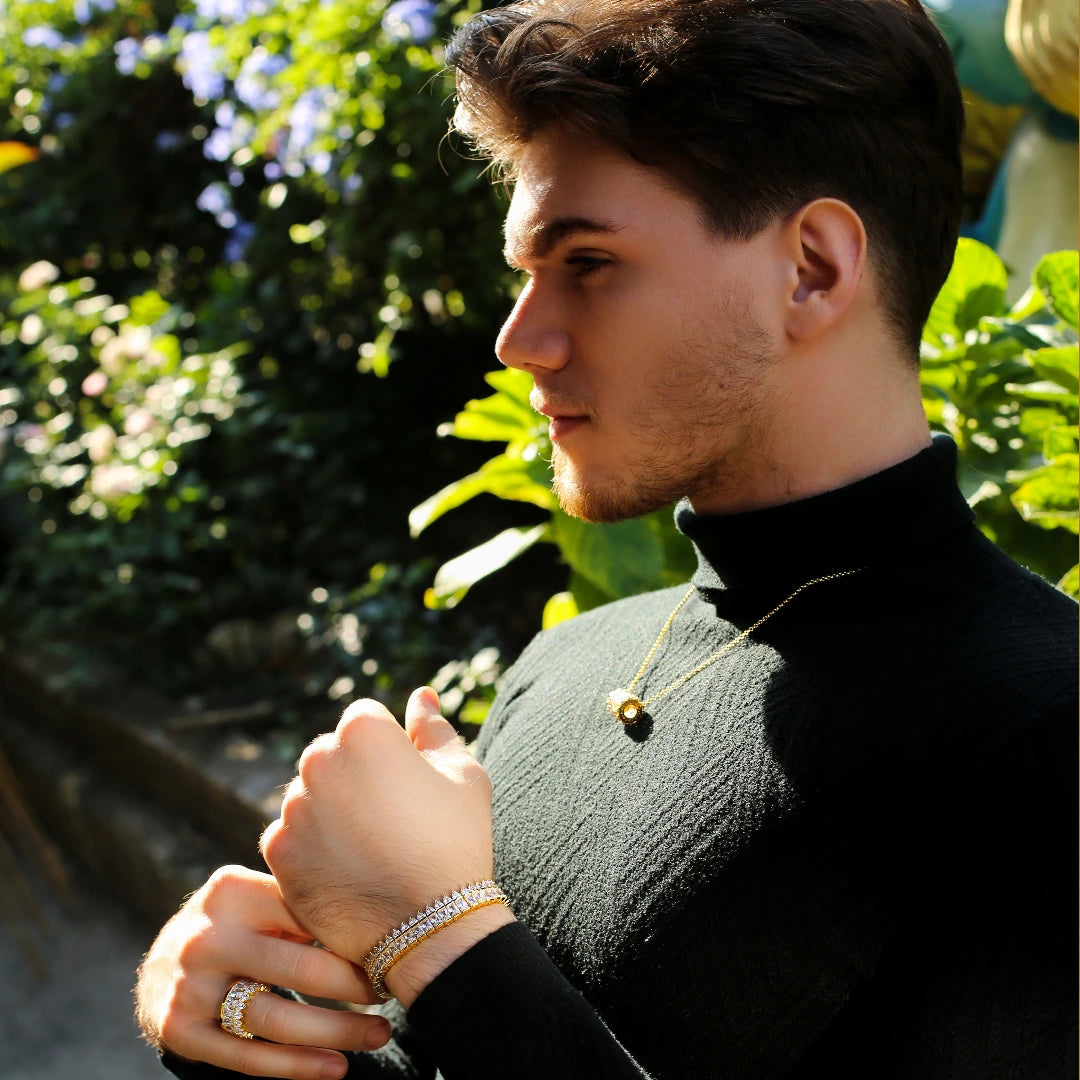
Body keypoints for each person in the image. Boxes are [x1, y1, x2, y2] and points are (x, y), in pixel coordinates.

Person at [135, 1, 1078, 1077]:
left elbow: (481, 995)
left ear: (813, 269)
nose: (518, 340)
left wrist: (445, 941)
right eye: (525, 272)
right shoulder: (567, 662)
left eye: (586, 262)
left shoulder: (1046, 736)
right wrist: (228, 1019)